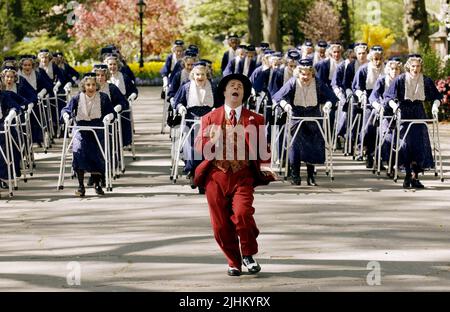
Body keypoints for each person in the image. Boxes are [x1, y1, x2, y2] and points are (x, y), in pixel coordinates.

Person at [193, 73, 275, 276]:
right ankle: (233, 261)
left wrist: (266, 168)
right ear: (225, 91)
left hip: (243, 175)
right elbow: (198, 147)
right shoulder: (209, 118)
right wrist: (211, 142)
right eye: (232, 85)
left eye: (240, 86)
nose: (236, 88)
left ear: (243, 93)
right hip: (216, 177)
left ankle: (248, 253)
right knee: (220, 226)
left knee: (243, 214)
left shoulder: (256, 119)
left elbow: (264, 150)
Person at [272, 59, 338, 186]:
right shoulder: (292, 82)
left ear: (312, 73)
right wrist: (286, 106)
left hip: (313, 116)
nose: (306, 77)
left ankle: (310, 175)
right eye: (303, 74)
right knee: (295, 144)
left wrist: (327, 105)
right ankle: (295, 174)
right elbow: (278, 96)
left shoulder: (317, 83)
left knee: (313, 144)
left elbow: (332, 97)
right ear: (298, 73)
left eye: (308, 74)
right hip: (296, 115)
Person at [384, 54, 443, 189]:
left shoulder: (425, 80)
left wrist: (435, 105)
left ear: (421, 67)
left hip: (418, 112)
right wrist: (394, 106)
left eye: (418, 66)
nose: (415, 69)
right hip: (404, 112)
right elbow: (388, 96)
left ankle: (416, 177)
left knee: (419, 144)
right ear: (408, 67)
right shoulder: (400, 80)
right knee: (405, 144)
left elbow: (437, 96)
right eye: (413, 66)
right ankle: (407, 174)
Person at [61, 73, 115, 196]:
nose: (90, 87)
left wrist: (108, 116)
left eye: (93, 85)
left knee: (96, 154)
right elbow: (67, 109)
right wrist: (66, 115)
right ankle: (81, 186)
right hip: (81, 128)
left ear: (97, 86)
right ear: (84, 86)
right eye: (88, 85)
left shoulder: (103, 97)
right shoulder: (77, 97)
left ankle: (97, 184)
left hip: (97, 127)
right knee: (79, 151)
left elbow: (111, 112)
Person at [171, 62, 218, 192]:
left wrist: (216, 110)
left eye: (202, 74)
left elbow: (220, 104)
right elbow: (177, 101)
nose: (200, 77)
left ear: (206, 75)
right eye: (197, 74)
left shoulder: (213, 87)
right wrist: (181, 108)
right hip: (190, 119)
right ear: (193, 75)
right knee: (191, 146)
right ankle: (192, 172)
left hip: (208, 120)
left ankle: (204, 178)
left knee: (207, 147)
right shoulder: (186, 87)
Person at [352, 45, 385, 167]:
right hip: (369, 102)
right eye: (375, 59)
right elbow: (356, 88)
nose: (377, 61)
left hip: (383, 101)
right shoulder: (363, 69)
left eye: (380, 59)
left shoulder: (387, 69)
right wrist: (361, 95)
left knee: (383, 129)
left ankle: (381, 156)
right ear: (371, 58)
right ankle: (369, 153)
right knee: (369, 128)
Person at [369, 57, 403, 171]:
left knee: (399, 139)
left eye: (397, 69)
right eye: (392, 69)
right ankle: (382, 161)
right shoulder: (382, 80)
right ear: (388, 70)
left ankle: (395, 164)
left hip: (399, 113)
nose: (394, 71)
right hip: (385, 113)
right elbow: (373, 97)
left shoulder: (402, 81)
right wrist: (378, 106)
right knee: (387, 138)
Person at [105, 54, 138, 148]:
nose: (112, 67)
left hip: (121, 103)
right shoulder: (103, 78)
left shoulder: (124, 77)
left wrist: (132, 96)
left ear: (118, 65)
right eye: (110, 64)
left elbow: (133, 90)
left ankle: (125, 141)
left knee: (123, 115)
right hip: (108, 103)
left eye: (114, 64)